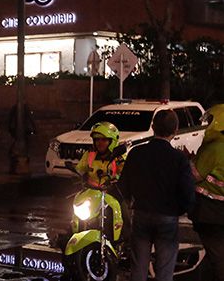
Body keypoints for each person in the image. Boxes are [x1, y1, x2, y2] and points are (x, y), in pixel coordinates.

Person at [119, 109, 196, 281]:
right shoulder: (178, 158)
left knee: (139, 266)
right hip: (167, 217)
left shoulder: (136, 153)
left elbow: (123, 186)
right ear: (175, 130)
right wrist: (182, 209)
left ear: (153, 127)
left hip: (141, 214)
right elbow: (187, 191)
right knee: (165, 269)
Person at [189, 104, 224, 281]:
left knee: (216, 255)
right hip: (218, 212)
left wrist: (187, 160)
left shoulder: (215, 147)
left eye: (209, 120)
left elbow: (194, 175)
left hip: (210, 212)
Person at [75, 122, 125, 188]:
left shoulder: (119, 157)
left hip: (112, 192)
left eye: (104, 140)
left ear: (112, 141)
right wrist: (83, 176)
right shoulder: (89, 154)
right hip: (91, 192)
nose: (100, 142)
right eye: (97, 139)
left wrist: (115, 180)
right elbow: (79, 170)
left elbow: (126, 176)